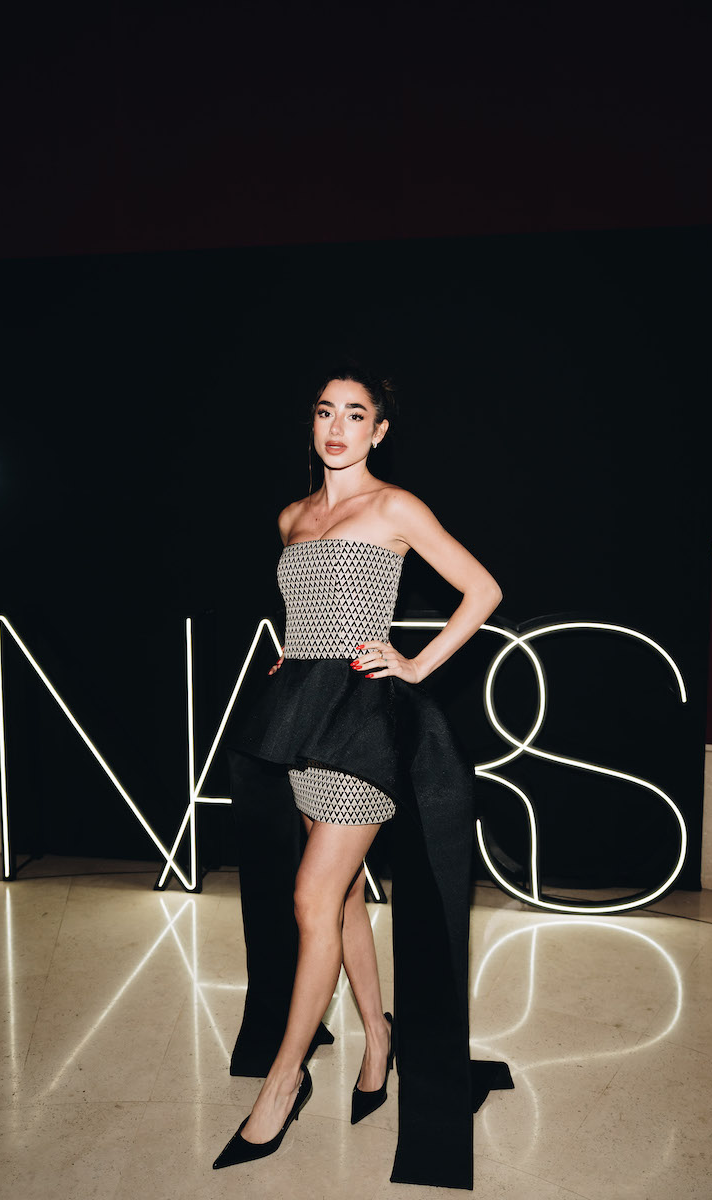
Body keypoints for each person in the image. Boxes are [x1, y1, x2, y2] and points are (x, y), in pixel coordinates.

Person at [214, 367, 509, 1188]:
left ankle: (285, 1082)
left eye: (355, 414)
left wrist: (416, 664)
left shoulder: (395, 507)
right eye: (324, 412)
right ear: (311, 424)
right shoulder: (292, 517)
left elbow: (482, 589)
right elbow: (307, 611)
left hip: (365, 728)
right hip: (302, 724)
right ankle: (378, 1036)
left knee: (310, 897)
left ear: (379, 431)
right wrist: (293, 659)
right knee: (340, 900)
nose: (337, 427)